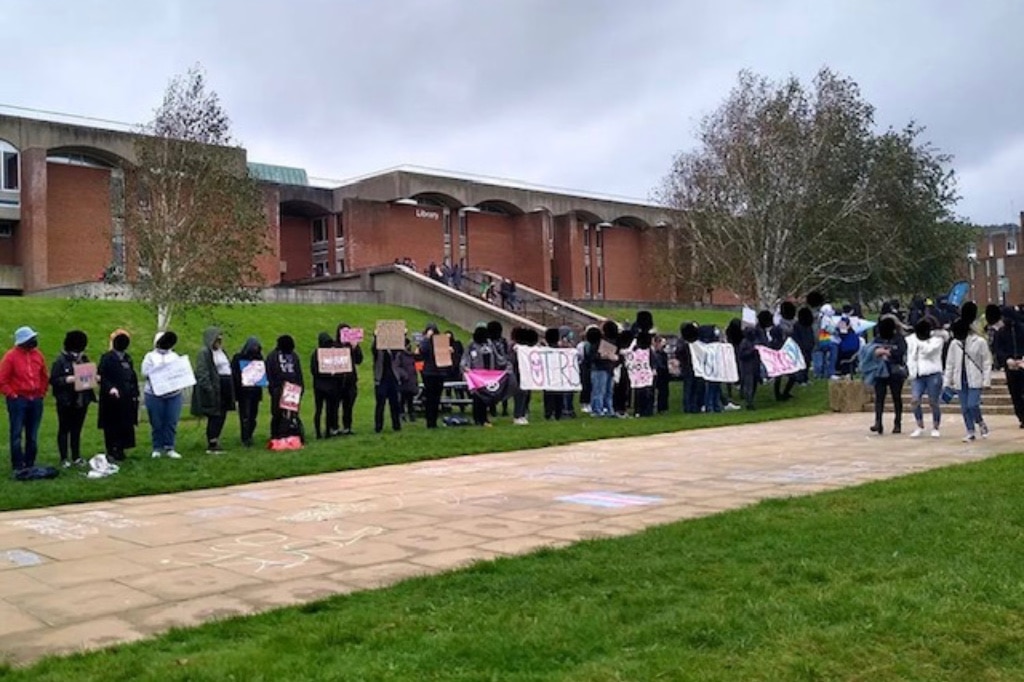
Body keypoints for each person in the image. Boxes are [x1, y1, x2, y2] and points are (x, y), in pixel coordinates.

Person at [0, 326, 49, 472]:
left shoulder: (38, 355)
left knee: (32, 434)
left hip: (36, 399)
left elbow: (44, 375)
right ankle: (17, 465)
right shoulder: (10, 357)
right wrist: (13, 394)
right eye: (31, 339)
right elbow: (2, 380)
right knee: (16, 433)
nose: (34, 341)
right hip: (18, 400)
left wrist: (41, 392)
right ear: (23, 341)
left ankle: (30, 463)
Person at [49, 330, 96, 468]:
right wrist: (67, 379)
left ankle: (76, 456)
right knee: (64, 429)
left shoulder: (84, 359)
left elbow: (88, 375)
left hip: (81, 400)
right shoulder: (60, 361)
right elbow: (54, 380)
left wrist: (94, 378)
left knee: (77, 430)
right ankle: (64, 458)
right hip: (66, 400)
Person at [944, 318, 992, 442]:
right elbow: (950, 363)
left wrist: (987, 380)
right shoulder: (954, 344)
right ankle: (970, 431)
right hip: (960, 379)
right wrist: (947, 382)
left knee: (973, 405)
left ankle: (980, 422)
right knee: (965, 408)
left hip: (975, 378)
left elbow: (987, 361)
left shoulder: (980, 342)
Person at [860, 317, 907, 435]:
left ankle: (897, 423)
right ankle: (878, 422)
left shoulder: (899, 339)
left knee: (896, 397)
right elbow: (869, 351)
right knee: (879, 398)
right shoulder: (878, 339)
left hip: (895, 371)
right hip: (880, 372)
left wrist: (887, 352)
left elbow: (900, 353)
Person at [141, 331, 184, 459]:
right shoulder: (150, 356)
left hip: (173, 394)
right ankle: (157, 447)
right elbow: (145, 372)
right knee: (157, 422)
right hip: (154, 394)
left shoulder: (175, 356)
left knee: (171, 421)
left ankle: (169, 446)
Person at [97, 329, 139, 462]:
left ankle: (121, 449)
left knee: (125, 424)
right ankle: (111, 450)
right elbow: (101, 376)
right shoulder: (107, 358)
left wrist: (135, 392)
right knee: (111, 425)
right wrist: (110, 388)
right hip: (111, 398)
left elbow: (132, 376)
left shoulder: (127, 358)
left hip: (126, 398)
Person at [192, 327, 235, 454]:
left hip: (225, 385)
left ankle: (216, 438)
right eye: (217, 339)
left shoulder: (222, 352)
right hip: (214, 386)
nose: (219, 342)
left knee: (222, 413)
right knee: (215, 414)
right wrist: (209, 388)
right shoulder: (205, 353)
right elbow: (202, 371)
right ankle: (212, 441)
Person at [905, 319, 946, 438]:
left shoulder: (937, 340)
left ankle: (935, 426)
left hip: (933, 373)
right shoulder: (912, 339)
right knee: (915, 400)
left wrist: (919, 342)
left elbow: (928, 351)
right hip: (917, 374)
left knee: (933, 402)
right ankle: (919, 425)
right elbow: (910, 354)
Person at [986, 304, 1024, 428]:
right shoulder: (1001, 333)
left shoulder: (1022, 329)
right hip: (1010, 366)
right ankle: (1022, 417)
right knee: (1015, 393)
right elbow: (998, 349)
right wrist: (1007, 359)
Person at [266, 335, 304, 440]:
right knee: (280, 414)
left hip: (288, 388)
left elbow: (298, 372)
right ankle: (278, 434)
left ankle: (286, 433)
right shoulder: (277, 356)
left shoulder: (274, 356)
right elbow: (270, 373)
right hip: (283, 388)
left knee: (288, 414)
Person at [230, 337, 264, 447]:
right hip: (243, 392)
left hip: (255, 391)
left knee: (253, 416)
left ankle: (249, 435)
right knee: (245, 415)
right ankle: (245, 438)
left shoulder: (258, 358)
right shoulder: (238, 358)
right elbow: (234, 374)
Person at [310, 332, 341, 439]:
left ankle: (322, 432)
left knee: (322, 410)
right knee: (325, 410)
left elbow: (313, 371)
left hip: (320, 386)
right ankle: (324, 431)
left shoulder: (316, 354)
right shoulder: (328, 354)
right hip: (327, 386)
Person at [335, 323, 364, 435]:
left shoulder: (352, 346)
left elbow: (359, 360)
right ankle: (335, 427)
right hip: (338, 381)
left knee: (348, 406)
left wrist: (355, 347)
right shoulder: (335, 345)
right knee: (336, 406)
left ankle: (347, 426)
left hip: (350, 381)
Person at [371, 333, 403, 433]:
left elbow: (401, 350)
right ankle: (378, 426)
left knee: (395, 404)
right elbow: (374, 349)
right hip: (381, 380)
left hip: (393, 379)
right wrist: (376, 337)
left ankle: (396, 425)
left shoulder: (394, 350)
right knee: (380, 404)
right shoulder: (379, 350)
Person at [418, 323, 446, 428]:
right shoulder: (426, 343)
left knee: (436, 398)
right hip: (429, 373)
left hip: (439, 373)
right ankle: (430, 421)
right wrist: (427, 338)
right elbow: (422, 351)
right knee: (430, 398)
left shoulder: (440, 342)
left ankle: (434, 420)